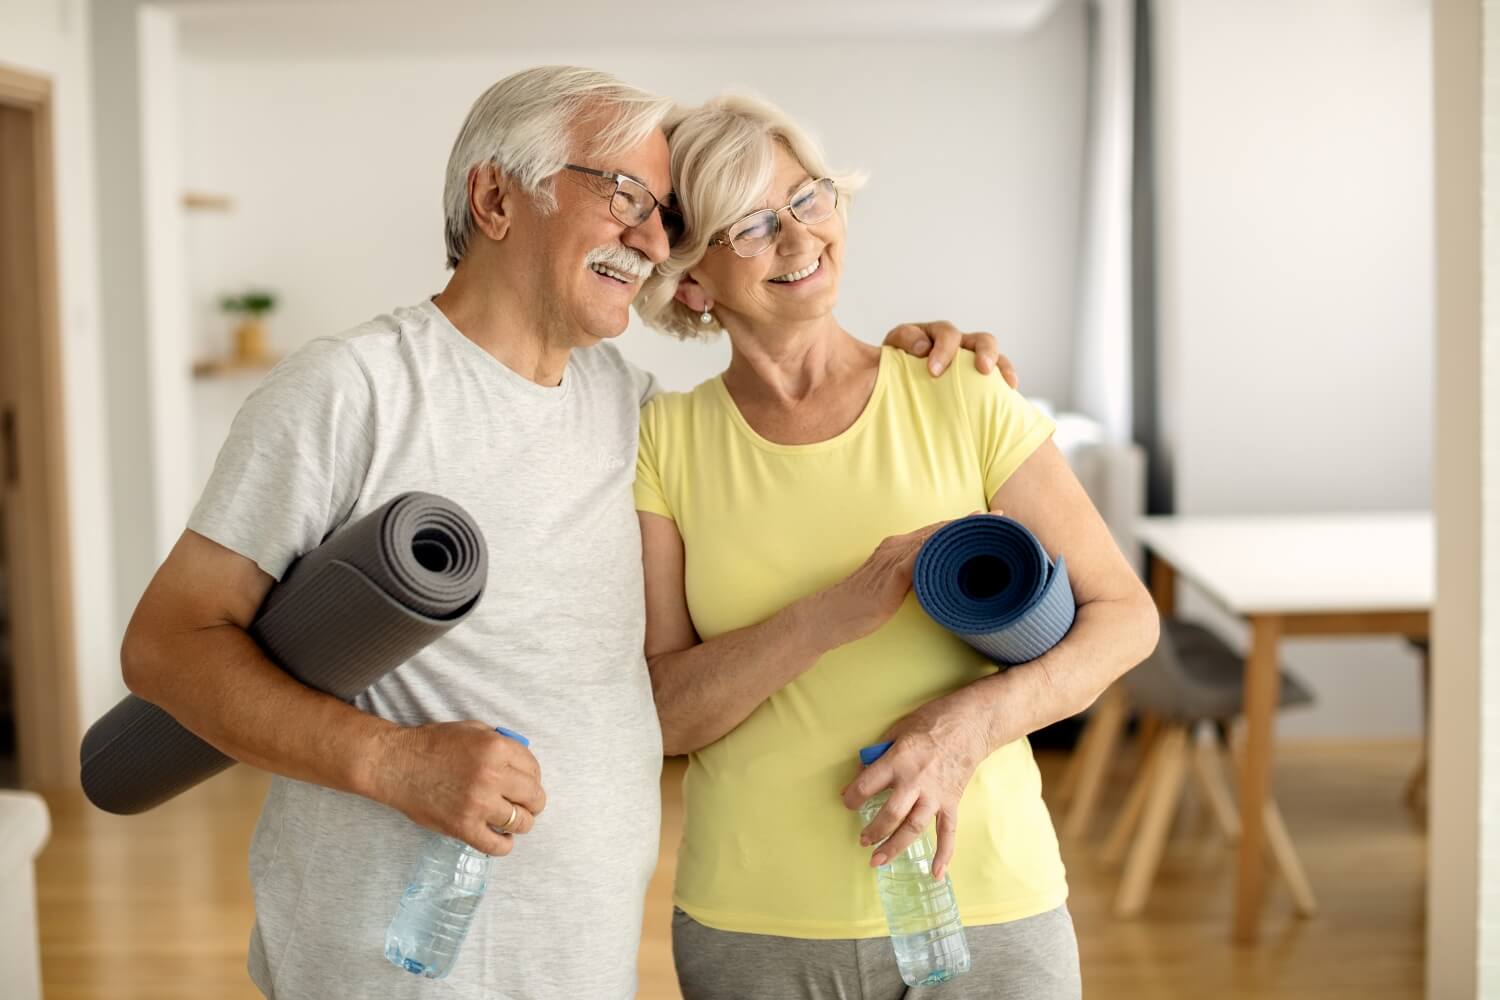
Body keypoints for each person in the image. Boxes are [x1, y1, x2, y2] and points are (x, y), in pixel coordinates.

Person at [119, 67, 1005, 999]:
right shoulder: (352, 391)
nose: (652, 238)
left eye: (662, 212)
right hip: (387, 961)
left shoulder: (633, 414)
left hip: (581, 957)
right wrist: (389, 762)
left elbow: (784, 434)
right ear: (497, 197)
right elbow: (167, 645)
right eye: (622, 194)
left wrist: (898, 363)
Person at [633, 93, 1161, 1000]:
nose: (800, 240)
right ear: (689, 280)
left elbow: (1126, 618)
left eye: (808, 198)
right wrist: (830, 616)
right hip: (757, 924)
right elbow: (665, 715)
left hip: (989, 902)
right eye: (750, 226)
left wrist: (969, 727)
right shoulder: (662, 442)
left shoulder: (959, 390)